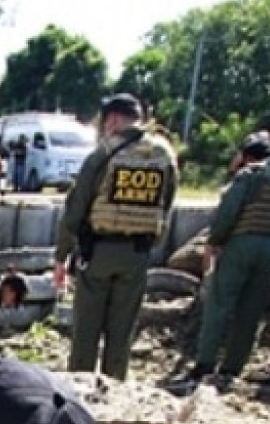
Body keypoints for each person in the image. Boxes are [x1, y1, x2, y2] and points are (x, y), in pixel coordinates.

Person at [53, 93, 179, 380]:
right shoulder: (164, 155)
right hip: (137, 255)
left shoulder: (103, 154)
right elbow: (167, 206)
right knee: (121, 335)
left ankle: (80, 398)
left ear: (112, 120)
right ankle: (114, 393)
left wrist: (62, 257)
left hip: (98, 254)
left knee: (86, 333)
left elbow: (75, 210)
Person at [175, 132, 270, 393]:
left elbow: (228, 213)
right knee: (251, 311)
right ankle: (232, 368)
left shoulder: (248, 176)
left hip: (241, 245)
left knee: (219, 304)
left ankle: (205, 364)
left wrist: (215, 241)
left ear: (246, 156)